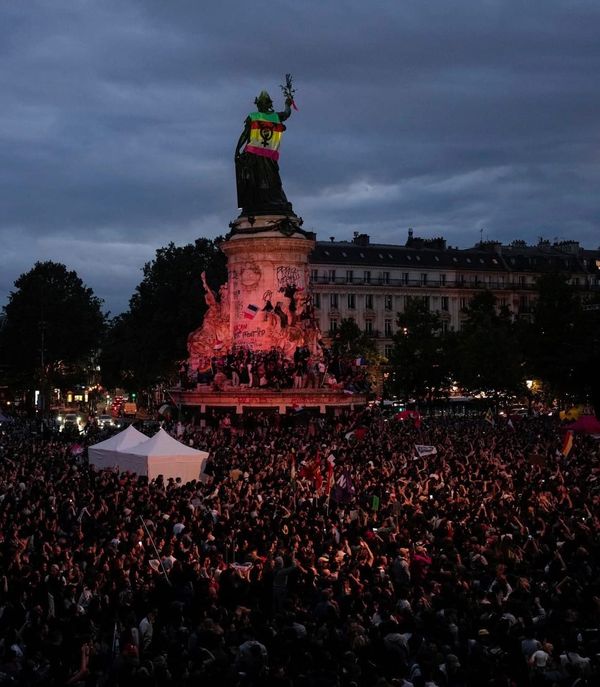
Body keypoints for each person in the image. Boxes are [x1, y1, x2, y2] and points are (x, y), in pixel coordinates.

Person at [235, 90, 295, 216]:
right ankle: (263, 201)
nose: (260, 105)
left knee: (265, 179)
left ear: (265, 104)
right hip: (262, 154)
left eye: (262, 103)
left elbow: (245, 134)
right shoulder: (268, 117)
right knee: (263, 179)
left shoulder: (259, 117)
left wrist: (287, 105)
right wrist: (287, 104)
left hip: (261, 155)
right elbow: (286, 114)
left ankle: (264, 201)